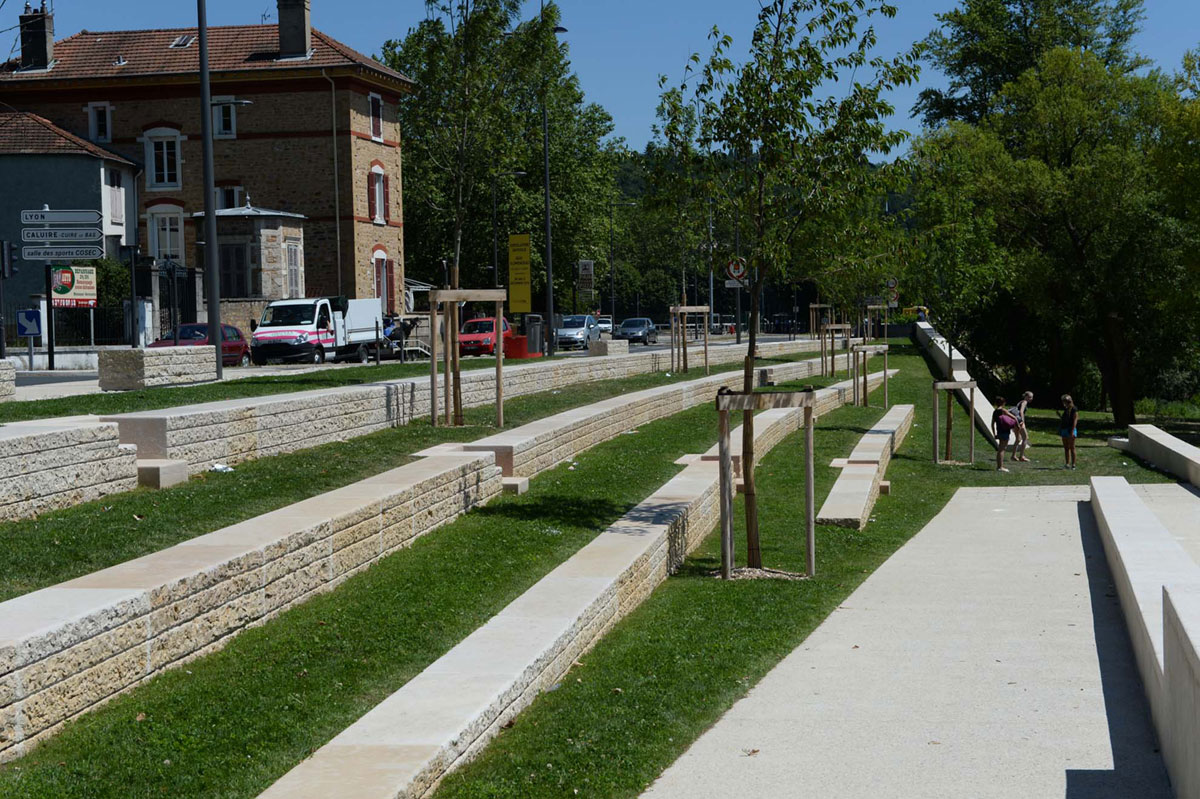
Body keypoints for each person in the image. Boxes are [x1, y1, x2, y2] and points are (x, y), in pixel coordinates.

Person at [991, 397, 1019, 472]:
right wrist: (1018, 426)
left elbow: (992, 424)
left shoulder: (995, 412)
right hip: (1005, 431)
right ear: (1003, 403)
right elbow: (1015, 418)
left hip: (999, 431)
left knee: (1000, 449)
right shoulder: (1003, 410)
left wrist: (994, 434)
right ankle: (1000, 467)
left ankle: (999, 466)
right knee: (1002, 449)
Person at [1011, 391, 1033, 463]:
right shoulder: (1024, 402)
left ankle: (1013, 456)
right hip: (1019, 421)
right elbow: (1021, 412)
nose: (1031, 398)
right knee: (1025, 438)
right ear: (1026, 396)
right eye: (1029, 397)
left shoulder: (1020, 402)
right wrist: (1023, 421)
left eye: (1032, 397)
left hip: (1015, 421)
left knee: (1018, 439)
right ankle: (1021, 456)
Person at [1059, 394, 1079, 469]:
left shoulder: (1074, 409)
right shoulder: (1066, 409)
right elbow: (1065, 419)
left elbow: (1075, 420)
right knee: (1066, 448)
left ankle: (1073, 464)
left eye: (1065, 402)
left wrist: (1072, 431)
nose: (1064, 403)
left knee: (1072, 447)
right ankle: (1067, 463)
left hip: (1070, 429)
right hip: (1064, 429)